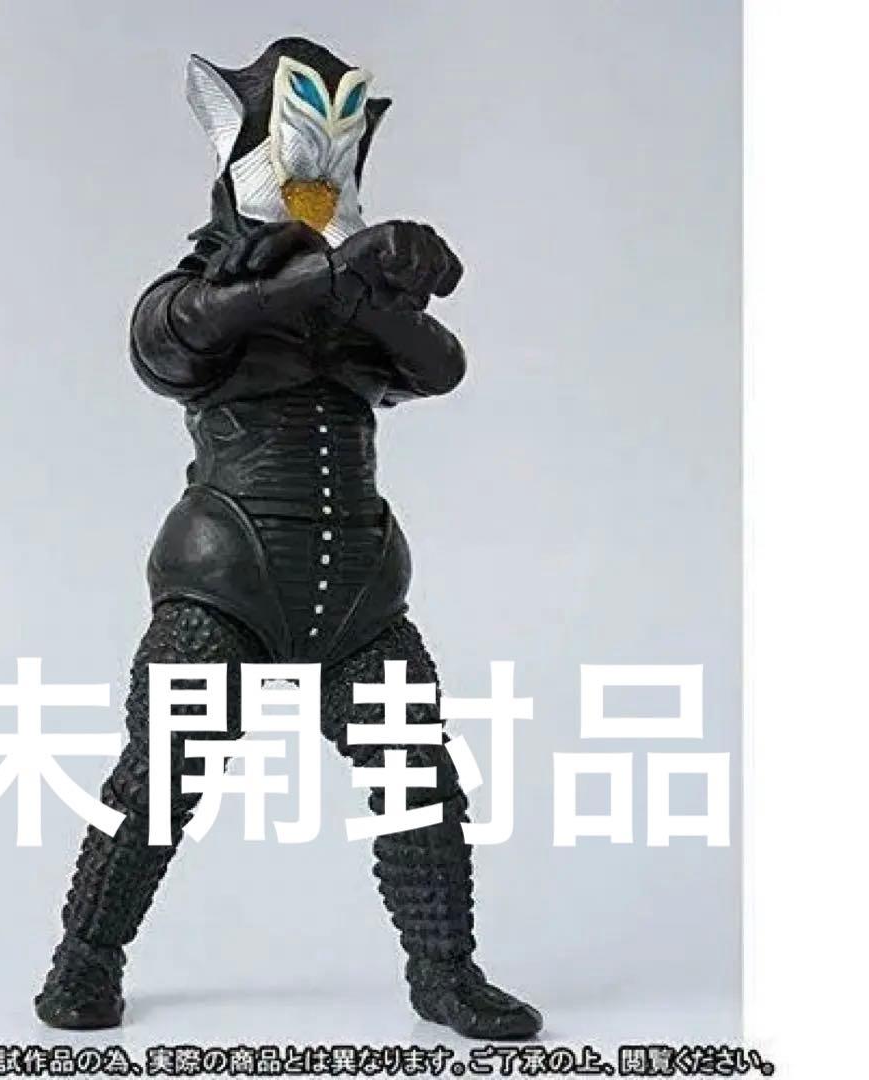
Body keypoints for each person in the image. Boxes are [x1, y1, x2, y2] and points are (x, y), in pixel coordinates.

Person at [35, 36, 542, 1041]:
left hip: (358, 589)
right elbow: (170, 336)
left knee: (419, 781)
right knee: (160, 777)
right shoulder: (204, 293)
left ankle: (446, 974)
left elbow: (439, 367)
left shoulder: (355, 310)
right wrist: (321, 277)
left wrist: (377, 281)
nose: (318, 184)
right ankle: (85, 957)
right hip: (225, 581)